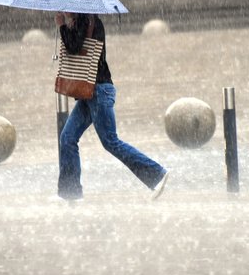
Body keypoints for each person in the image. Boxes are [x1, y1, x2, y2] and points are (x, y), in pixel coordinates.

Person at [55, 11, 169, 201]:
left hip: (98, 91)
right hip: (88, 92)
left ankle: (157, 174)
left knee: (110, 141)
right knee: (67, 137)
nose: (64, 11)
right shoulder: (83, 21)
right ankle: (70, 192)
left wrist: (61, 26)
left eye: (67, 8)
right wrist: (68, 27)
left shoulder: (86, 20)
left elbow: (74, 47)